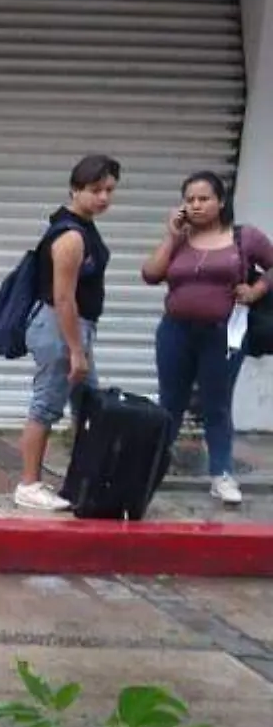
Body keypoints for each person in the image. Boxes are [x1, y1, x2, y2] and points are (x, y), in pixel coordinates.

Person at [140, 170, 272, 506]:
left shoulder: (245, 238)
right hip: (176, 331)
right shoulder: (180, 239)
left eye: (204, 198)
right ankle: (151, 468)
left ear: (221, 201)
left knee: (217, 404)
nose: (197, 205)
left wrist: (257, 289)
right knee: (171, 401)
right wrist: (171, 236)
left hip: (223, 334)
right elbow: (150, 274)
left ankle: (222, 474)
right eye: (190, 200)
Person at [15, 155, 121, 511]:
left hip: (75, 329)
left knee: (87, 405)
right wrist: (76, 350)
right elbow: (63, 297)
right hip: (59, 328)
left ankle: (83, 478)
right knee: (46, 404)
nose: (103, 197)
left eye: (109, 190)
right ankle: (28, 484)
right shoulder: (71, 236)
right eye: (95, 190)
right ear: (75, 189)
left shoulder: (83, 226)